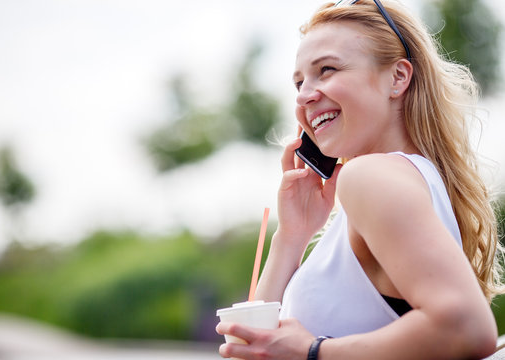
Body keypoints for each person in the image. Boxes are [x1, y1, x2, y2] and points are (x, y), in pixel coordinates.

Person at [216, 0, 504, 358]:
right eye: (299, 82)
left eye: (327, 69)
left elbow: (467, 328)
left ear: (398, 78)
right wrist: (293, 233)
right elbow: (255, 347)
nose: (305, 94)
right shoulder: (409, 180)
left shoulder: (370, 177)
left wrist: (313, 352)